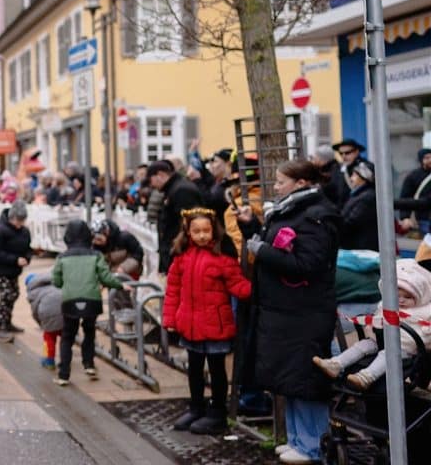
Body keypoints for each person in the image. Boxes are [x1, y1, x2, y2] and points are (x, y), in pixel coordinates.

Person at [236, 159, 341, 465]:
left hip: (304, 312)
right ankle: (297, 439)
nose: (276, 186)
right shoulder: (291, 210)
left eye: (281, 181)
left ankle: (313, 446)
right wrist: (251, 228)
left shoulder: (317, 216)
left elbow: (307, 264)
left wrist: (262, 251)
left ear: (301, 183)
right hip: (284, 311)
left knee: (305, 379)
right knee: (289, 378)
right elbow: (277, 248)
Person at [163, 207, 252, 435]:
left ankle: (217, 412)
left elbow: (237, 284)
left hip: (216, 325)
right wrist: (170, 318)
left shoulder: (222, 258)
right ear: (188, 232)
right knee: (194, 368)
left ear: (214, 231)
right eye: (197, 231)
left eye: (206, 230)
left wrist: (255, 290)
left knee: (217, 369)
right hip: (190, 325)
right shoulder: (181, 258)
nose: (202, 235)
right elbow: (173, 290)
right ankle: (196, 407)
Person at [313, 259, 431, 390]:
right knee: (363, 345)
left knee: (387, 354)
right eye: (397, 296)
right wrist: (373, 327)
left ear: (419, 297)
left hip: (406, 350)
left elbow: (425, 338)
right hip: (382, 341)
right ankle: (336, 364)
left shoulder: (425, 313)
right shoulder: (387, 305)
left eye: (407, 297)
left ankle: (366, 377)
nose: (401, 300)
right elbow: (376, 320)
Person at [51, 220, 122, 386]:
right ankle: (89, 364)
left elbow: (56, 281)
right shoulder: (95, 255)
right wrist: (120, 285)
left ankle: (63, 375)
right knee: (89, 332)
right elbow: (105, 277)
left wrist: (67, 284)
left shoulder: (62, 257)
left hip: (70, 300)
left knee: (67, 336)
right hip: (92, 300)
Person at [146, 159, 205, 274]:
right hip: (175, 252)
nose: (151, 185)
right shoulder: (174, 189)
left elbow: (188, 224)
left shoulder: (181, 190)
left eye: (151, 180)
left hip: (181, 255)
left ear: (160, 175)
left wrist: (176, 250)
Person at [0, 202, 31, 342]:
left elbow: (27, 248)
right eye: (17, 220)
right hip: (1, 270)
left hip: (14, 270)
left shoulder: (24, 231)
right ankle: (1, 327)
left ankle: (7, 323)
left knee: (14, 294)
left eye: (22, 220)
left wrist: (27, 258)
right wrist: (14, 259)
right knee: (6, 296)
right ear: (11, 218)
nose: (19, 223)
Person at [339, 159, 379, 251]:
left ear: (363, 178)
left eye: (354, 175)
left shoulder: (367, 197)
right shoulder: (357, 194)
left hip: (361, 248)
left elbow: (352, 222)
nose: (351, 178)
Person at [26, 272, 64, 370]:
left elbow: (35, 311)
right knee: (65, 337)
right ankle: (65, 360)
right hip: (65, 311)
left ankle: (49, 361)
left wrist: (41, 324)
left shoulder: (33, 292)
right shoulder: (54, 283)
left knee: (49, 338)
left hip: (48, 315)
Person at [398, 148, 431, 234]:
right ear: (421, 160)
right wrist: (405, 217)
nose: (430, 160)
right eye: (427, 158)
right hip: (424, 218)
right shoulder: (413, 176)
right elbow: (405, 197)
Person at [331, 139, 366, 211]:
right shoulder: (337, 169)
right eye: (341, 153)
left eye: (347, 153)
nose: (343, 156)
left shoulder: (365, 168)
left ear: (356, 152)